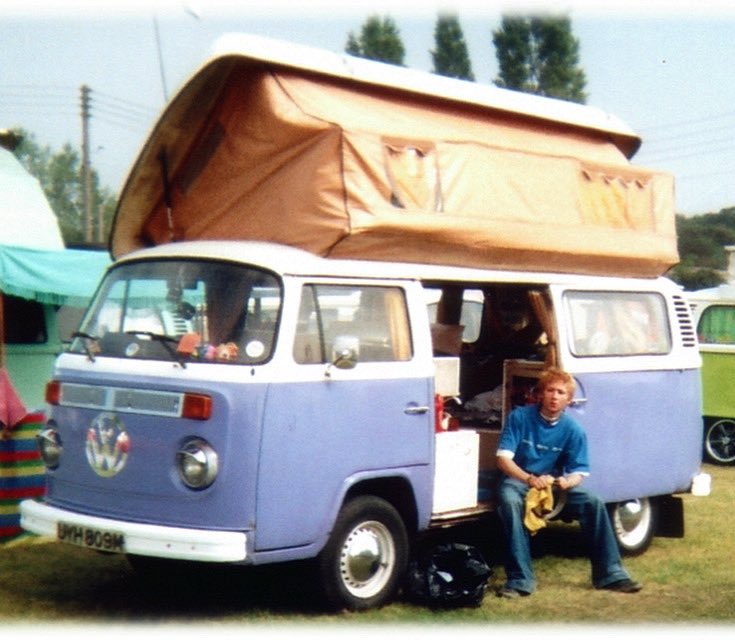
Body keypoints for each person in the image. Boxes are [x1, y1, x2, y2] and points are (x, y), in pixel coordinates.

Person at [495, 367, 642, 598]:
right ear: (540, 394)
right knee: (510, 501)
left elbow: (579, 471)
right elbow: (503, 460)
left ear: (569, 400)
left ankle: (611, 574)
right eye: (550, 390)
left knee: (593, 501)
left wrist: (567, 482)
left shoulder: (574, 430)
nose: (554, 397)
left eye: (561, 393)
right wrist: (529, 479)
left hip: (553, 487)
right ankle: (520, 580)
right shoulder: (519, 417)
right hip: (519, 480)